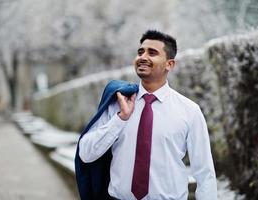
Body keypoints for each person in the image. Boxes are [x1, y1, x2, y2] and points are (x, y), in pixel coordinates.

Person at [78, 30, 217, 200]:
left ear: (169, 64)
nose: (143, 57)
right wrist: (120, 119)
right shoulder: (118, 102)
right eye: (140, 52)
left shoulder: (189, 111)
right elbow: (86, 154)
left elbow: (204, 173)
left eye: (152, 53)